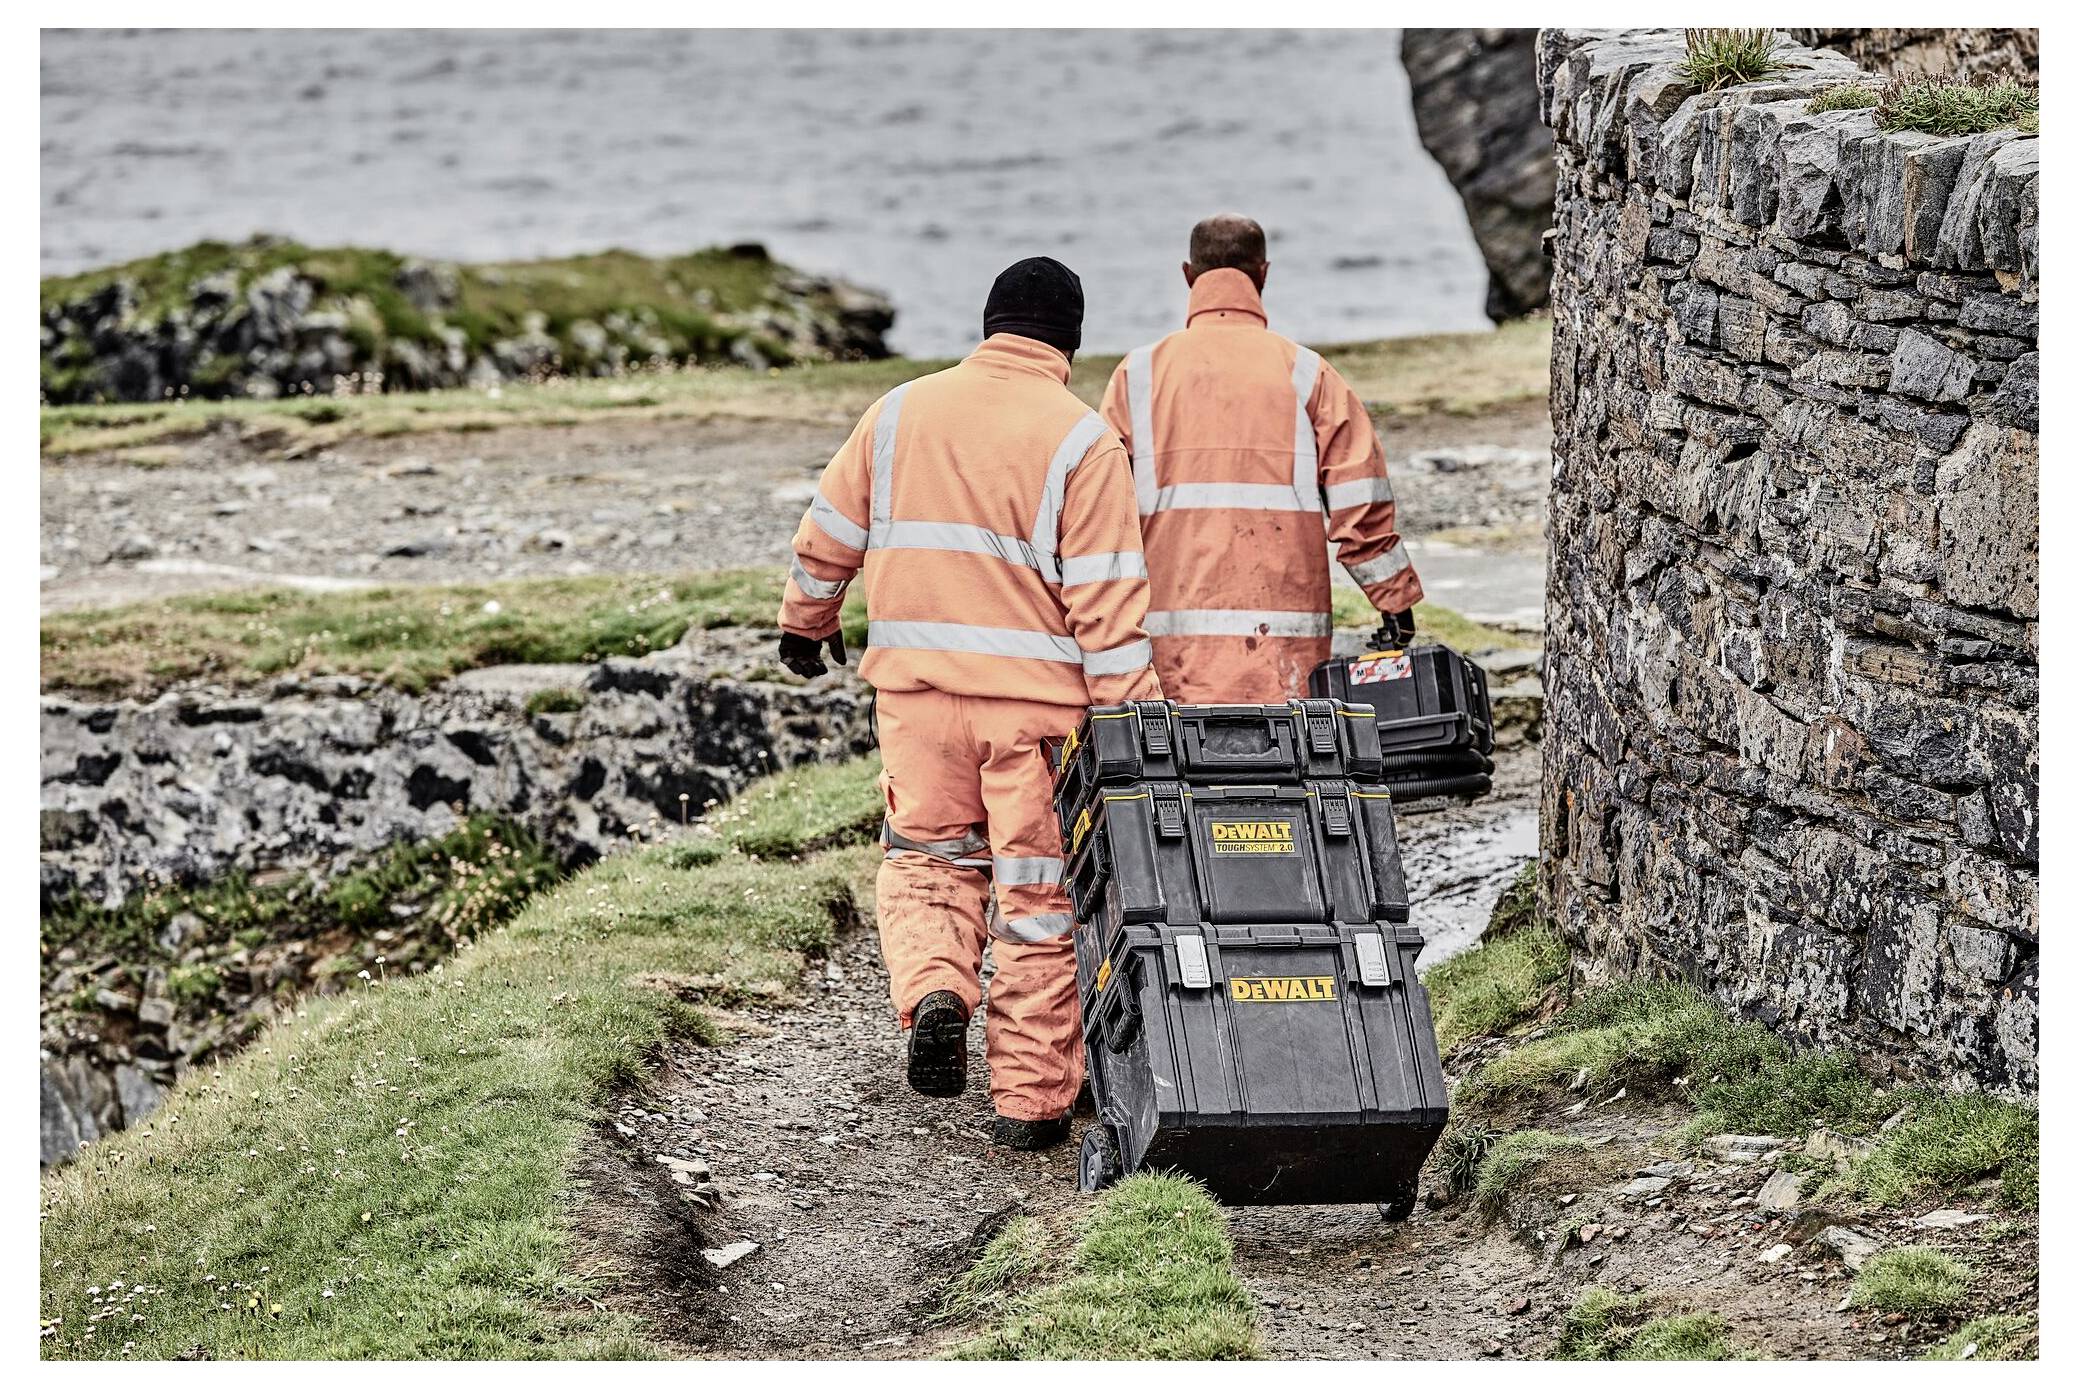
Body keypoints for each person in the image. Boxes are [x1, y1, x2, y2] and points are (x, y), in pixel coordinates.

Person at [775, 257, 1162, 1150]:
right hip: (1034, 719)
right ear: (1068, 342)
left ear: (988, 324)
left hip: (915, 699)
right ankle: (1028, 1105)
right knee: (1036, 897)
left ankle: (935, 993)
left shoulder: (899, 411)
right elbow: (1107, 606)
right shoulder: (1081, 441)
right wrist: (1130, 724)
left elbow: (825, 533)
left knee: (924, 860)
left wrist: (805, 624)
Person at [1100, 214, 1423, 703]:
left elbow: (1097, 513)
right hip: (1284, 647)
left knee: (1182, 772)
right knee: (1288, 768)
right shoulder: (1309, 375)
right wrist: (1394, 605)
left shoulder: (1137, 376)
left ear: (1188, 275)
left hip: (1171, 649)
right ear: (1263, 273)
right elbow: (1361, 506)